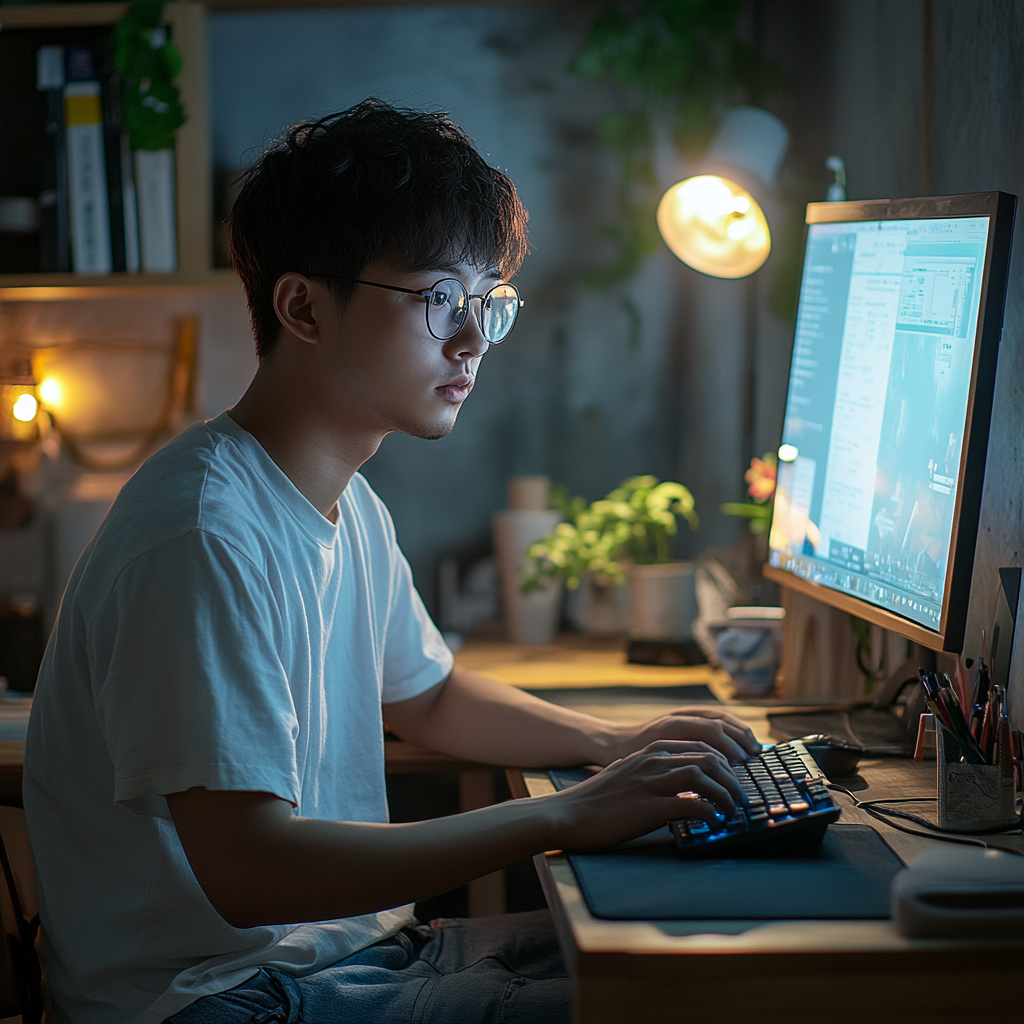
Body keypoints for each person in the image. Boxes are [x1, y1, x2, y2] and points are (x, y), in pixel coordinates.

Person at [23, 100, 759, 1024]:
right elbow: (249, 874)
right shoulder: (205, 531)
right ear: (302, 307)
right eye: (439, 299)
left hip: (342, 953)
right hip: (217, 998)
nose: (471, 341)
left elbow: (429, 695)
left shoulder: (346, 500)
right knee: (705, 1002)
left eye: (487, 302)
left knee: (714, 956)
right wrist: (568, 813)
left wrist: (607, 745)